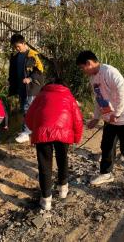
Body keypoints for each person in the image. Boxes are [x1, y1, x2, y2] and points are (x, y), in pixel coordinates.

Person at [76, 50, 124, 201]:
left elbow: (123, 91)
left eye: (82, 67)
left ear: (89, 63)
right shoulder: (93, 78)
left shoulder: (110, 72)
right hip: (110, 118)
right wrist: (96, 118)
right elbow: (99, 98)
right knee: (107, 146)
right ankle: (106, 173)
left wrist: (117, 113)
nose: (82, 71)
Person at [25, 78, 83, 210]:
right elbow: (78, 119)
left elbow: (29, 117)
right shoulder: (69, 96)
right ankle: (63, 189)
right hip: (64, 134)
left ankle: (46, 200)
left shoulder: (41, 95)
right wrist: (76, 138)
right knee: (62, 159)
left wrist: (35, 129)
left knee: (44, 165)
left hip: (43, 133)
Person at [8, 34, 44, 143]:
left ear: (24, 43)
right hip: (21, 88)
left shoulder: (32, 55)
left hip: (32, 87)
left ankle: (26, 131)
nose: (17, 49)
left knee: (27, 108)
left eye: (18, 46)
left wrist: (30, 78)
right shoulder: (15, 57)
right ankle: (31, 130)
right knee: (25, 109)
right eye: (15, 47)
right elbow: (13, 73)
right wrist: (10, 83)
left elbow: (40, 71)